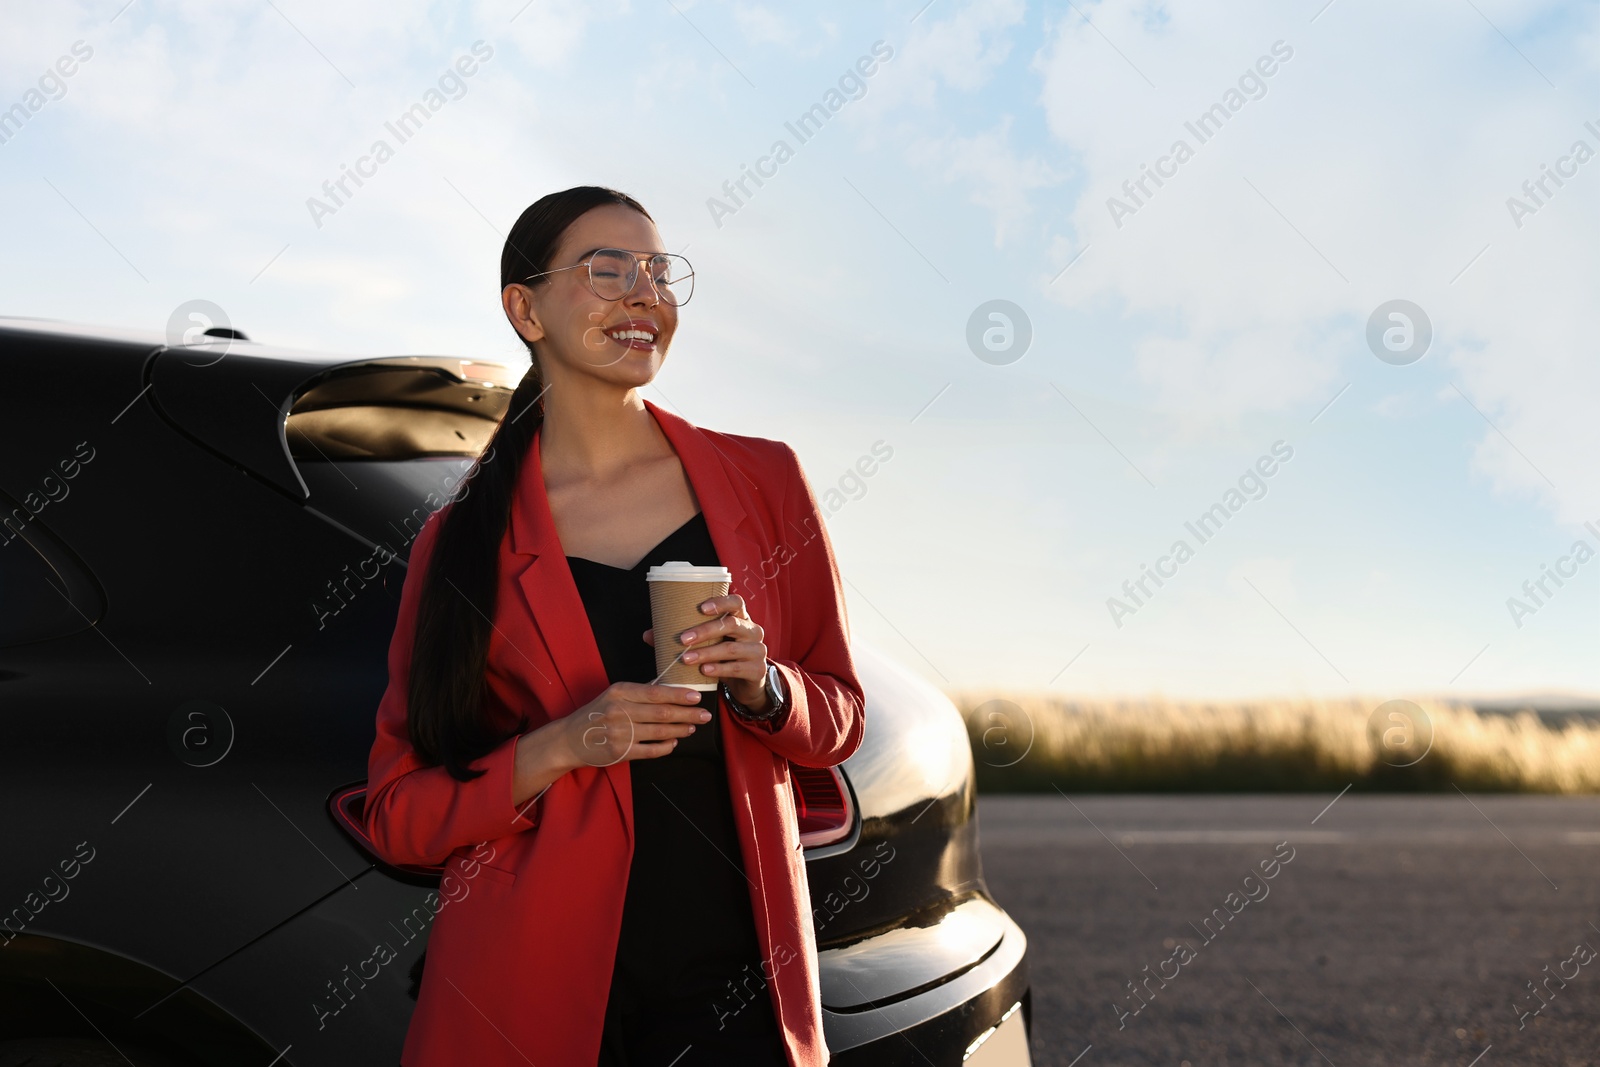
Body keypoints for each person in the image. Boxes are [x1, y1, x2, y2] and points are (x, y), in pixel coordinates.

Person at [362, 185, 866, 1067]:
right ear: (526, 309)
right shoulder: (461, 542)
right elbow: (400, 814)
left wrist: (765, 684)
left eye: (660, 273)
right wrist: (561, 744)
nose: (645, 294)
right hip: (535, 996)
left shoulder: (765, 481)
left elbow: (840, 719)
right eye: (607, 270)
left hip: (741, 990)